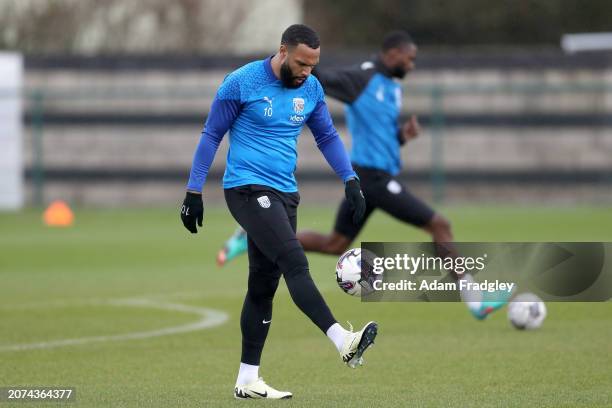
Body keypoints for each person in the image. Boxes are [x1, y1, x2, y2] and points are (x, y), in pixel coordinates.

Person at [217, 30, 509, 320]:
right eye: (410, 59)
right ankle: (475, 301)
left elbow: (380, 136)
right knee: (439, 225)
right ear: (393, 54)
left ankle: (251, 235)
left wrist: (401, 137)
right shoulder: (363, 79)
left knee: (335, 244)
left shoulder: (391, 86)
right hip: (373, 179)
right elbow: (320, 77)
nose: (412, 65)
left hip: (371, 178)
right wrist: (292, 65)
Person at [180, 24, 378, 400]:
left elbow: (327, 137)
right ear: (283, 51)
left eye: (313, 65)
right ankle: (343, 340)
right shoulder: (241, 83)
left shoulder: (312, 88)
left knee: (262, 285)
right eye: (302, 63)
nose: (306, 71)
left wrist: (350, 179)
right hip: (246, 188)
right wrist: (193, 190)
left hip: (286, 194)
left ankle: (247, 380)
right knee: (293, 259)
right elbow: (211, 135)